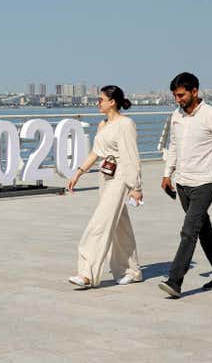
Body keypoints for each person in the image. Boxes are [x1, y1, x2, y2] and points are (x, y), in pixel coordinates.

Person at [159, 72, 212, 298]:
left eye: (181, 95)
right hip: (182, 181)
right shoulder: (176, 116)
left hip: (205, 182)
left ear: (195, 91)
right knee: (202, 229)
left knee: (189, 231)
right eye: (175, 95)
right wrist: (167, 174)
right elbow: (173, 146)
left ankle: (175, 280)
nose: (178, 99)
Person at [67, 85, 144, 289]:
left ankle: (87, 273)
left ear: (113, 102)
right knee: (120, 226)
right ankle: (131, 270)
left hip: (120, 178)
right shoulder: (103, 125)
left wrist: (135, 186)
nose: (98, 103)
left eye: (101, 99)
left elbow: (131, 156)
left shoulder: (126, 124)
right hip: (105, 177)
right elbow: (96, 152)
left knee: (99, 224)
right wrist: (79, 172)